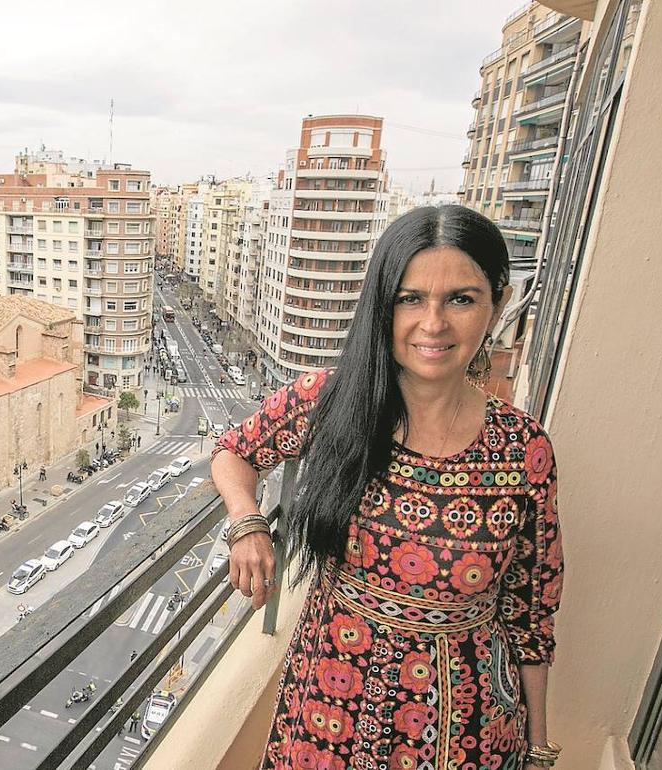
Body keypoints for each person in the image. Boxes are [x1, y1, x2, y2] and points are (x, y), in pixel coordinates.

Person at [210, 206, 564, 770]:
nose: (433, 324)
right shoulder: (331, 402)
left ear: (496, 302)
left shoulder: (524, 448)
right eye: (410, 298)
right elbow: (234, 452)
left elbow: (531, 614)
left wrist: (539, 750)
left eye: (461, 299)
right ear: (383, 305)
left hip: (464, 728)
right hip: (328, 707)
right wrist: (248, 525)